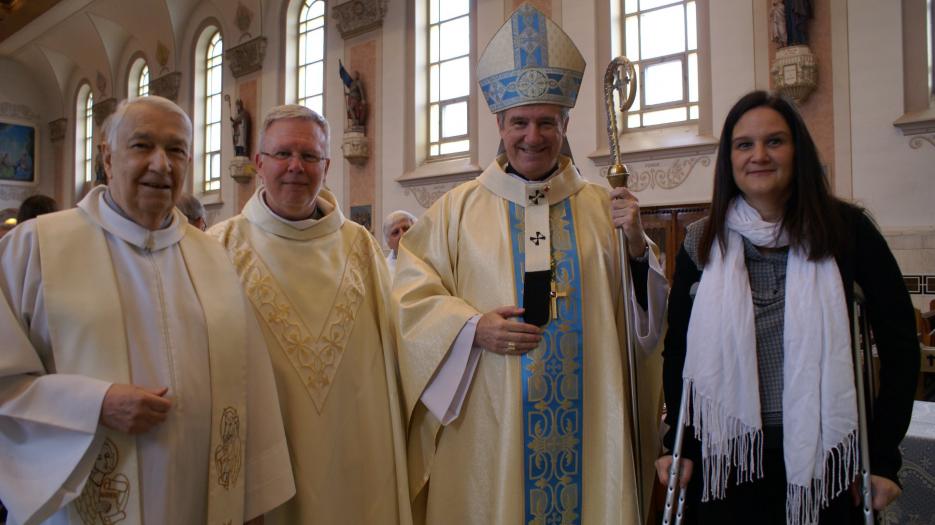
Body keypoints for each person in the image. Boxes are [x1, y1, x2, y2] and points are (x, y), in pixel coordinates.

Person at [394, 5, 668, 524]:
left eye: (547, 122)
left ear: (566, 124)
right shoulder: (456, 211)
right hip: (489, 428)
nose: (533, 136)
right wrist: (472, 328)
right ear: (499, 123)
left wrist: (636, 246)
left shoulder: (599, 209)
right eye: (519, 121)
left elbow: (645, 328)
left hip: (590, 425)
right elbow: (408, 298)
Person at [0, 96, 295, 525]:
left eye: (176, 150)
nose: (161, 164)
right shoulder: (35, 248)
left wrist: (251, 504)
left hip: (203, 499)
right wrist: (93, 403)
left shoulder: (215, 258)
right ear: (107, 156)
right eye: (142, 146)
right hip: (85, 501)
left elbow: (253, 390)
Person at [655, 91, 919, 525]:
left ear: (798, 150)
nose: (759, 155)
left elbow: (899, 346)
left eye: (774, 141)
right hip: (727, 455)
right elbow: (679, 351)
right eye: (744, 144)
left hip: (827, 456)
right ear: (729, 159)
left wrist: (885, 457)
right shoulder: (703, 241)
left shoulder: (846, 231)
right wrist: (675, 444)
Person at [209, 105, 411, 525]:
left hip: (359, 460)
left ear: (327, 165)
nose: (295, 167)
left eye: (309, 157)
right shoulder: (218, 249)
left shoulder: (360, 247)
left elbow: (406, 339)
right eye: (283, 154)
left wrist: (468, 331)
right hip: (266, 462)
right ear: (259, 163)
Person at [383, 210, 416, 274]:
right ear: (389, 243)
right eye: (395, 232)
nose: (402, 235)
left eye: (406, 228)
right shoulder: (383, 271)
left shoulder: (430, 260)